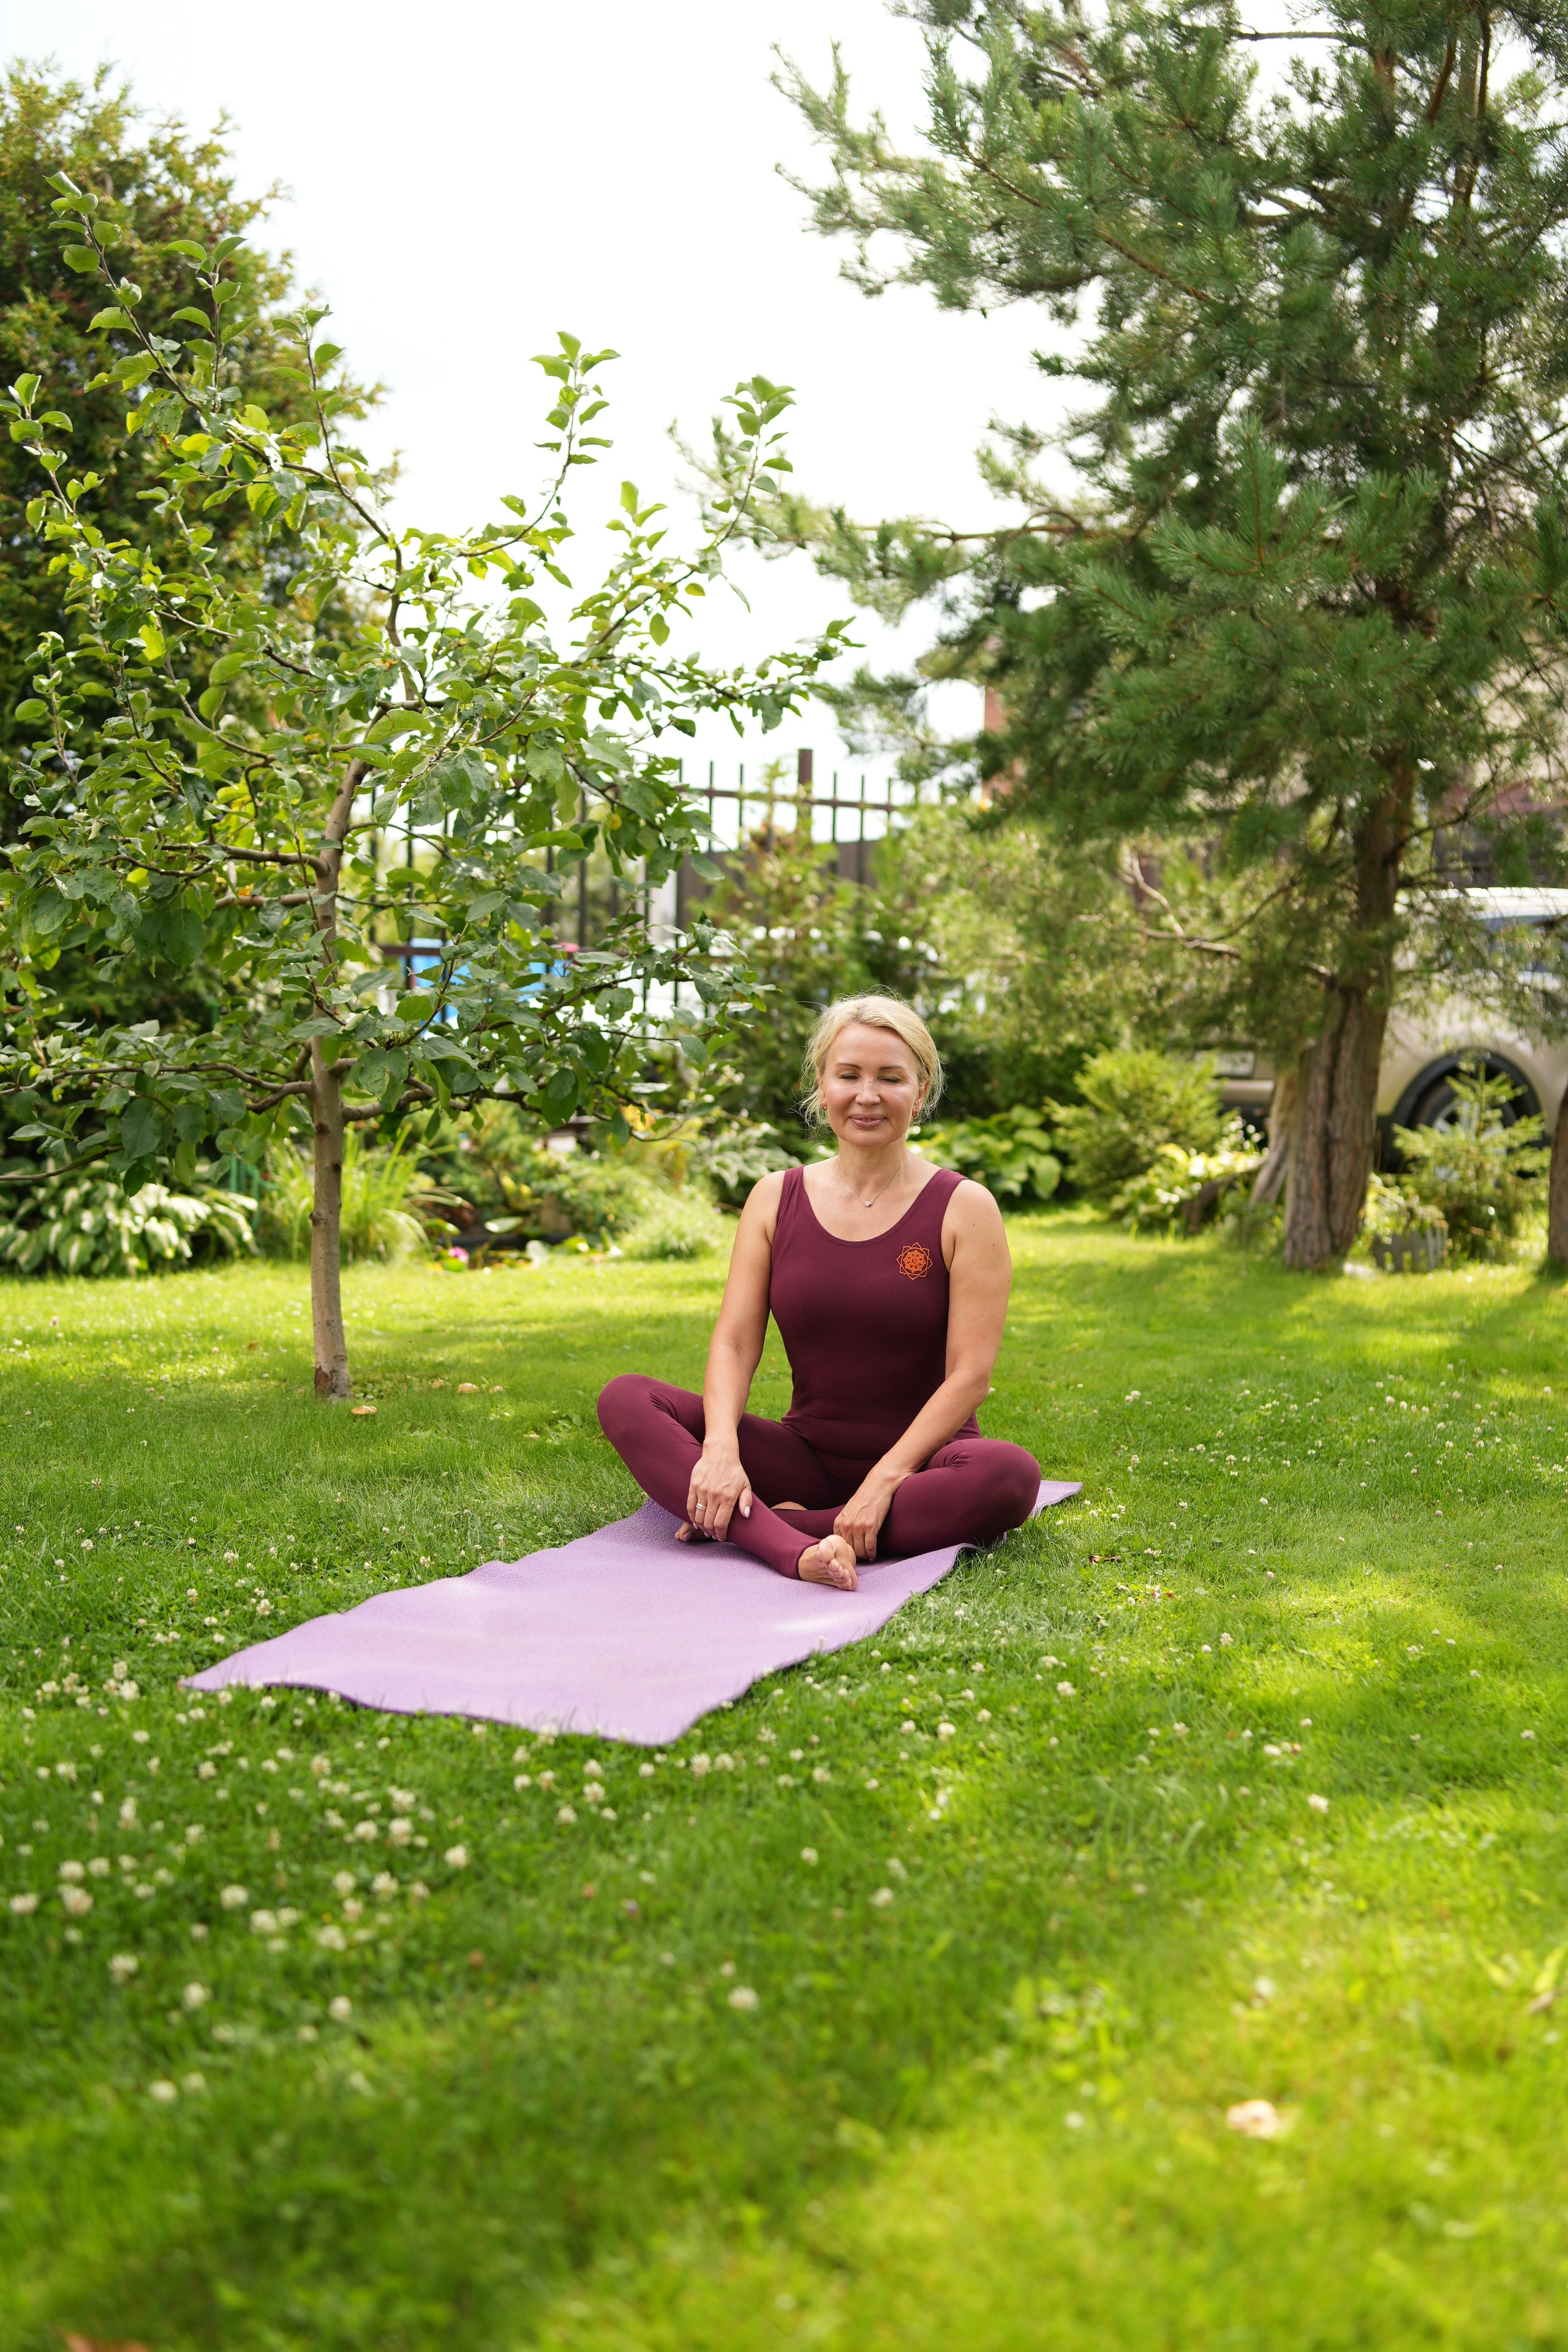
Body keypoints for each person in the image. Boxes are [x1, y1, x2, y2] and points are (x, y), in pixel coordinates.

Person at [597, 995, 1042, 1591]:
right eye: (848, 1075)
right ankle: (789, 1544)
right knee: (628, 1398)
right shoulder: (773, 1199)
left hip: (922, 1467)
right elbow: (733, 1343)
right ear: (821, 1084)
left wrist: (882, 1483)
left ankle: (776, 1528)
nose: (867, 1096)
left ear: (920, 1088)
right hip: (804, 1458)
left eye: (890, 1078)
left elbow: (970, 1376)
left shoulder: (964, 1207)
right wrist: (723, 1452)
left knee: (1009, 1476)